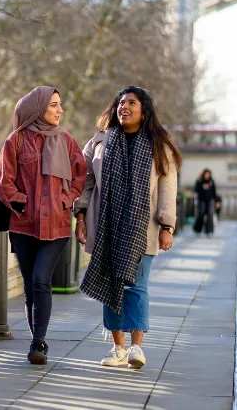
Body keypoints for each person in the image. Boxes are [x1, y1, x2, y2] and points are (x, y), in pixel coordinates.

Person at [74, 86, 180, 369]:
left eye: (132, 103)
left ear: (144, 111)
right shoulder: (99, 143)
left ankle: (137, 347)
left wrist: (167, 226)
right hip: (106, 226)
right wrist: (80, 216)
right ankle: (117, 348)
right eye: (121, 103)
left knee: (137, 287)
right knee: (111, 285)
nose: (125, 107)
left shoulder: (160, 145)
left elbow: (168, 189)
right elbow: (86, 183)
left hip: (143, 229)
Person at [0, 86, 87, 365]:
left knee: (41, 279)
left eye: (60, 105)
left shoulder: (67, 141)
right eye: (54, 105)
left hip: (56, 226)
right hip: (23, 225)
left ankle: (39, 342)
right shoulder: (16, 140)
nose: (60, 110)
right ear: (37, 109)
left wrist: (64, 200)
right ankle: (37, 338)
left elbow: (80, 177)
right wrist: (20, 203)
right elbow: (2, 180)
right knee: (30, 286)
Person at [192, 169, 217, 237]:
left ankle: (209, 231)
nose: (207, 175)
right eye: (206, 174)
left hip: (210, 201)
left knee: (210, 215)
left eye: (208, 174)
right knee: (200, 215)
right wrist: (202, 187)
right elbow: (196, 191)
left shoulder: (211, 182)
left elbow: (214, 192)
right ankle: (198, 230)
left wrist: (217, 201)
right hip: (201, 200)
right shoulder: (199, 181)